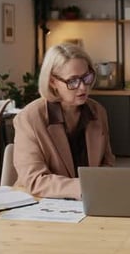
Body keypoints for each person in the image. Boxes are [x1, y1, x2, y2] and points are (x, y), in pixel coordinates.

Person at [13, 43, 115, 200]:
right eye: (73, 81)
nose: (83, 88)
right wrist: (85, 187)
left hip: (90, 201)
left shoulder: (97, 112)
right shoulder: (30, 118)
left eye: (86, 77)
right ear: (53, 82)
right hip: (40, 204)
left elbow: (107, 163)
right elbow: (34, 180)